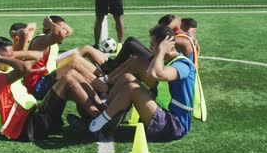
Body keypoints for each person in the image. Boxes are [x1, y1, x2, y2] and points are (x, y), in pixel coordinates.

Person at [68, 25, 196, 141]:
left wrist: (161, 51)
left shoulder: (183, 65)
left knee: (132, 89)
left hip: (173, 126)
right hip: (164, 112)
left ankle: (93, 128)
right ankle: (102, 116)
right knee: (127, 77)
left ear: (166, 45)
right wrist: (160, 51)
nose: (150, 49)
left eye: (153, 45)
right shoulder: (171, 62)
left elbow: (155, 74)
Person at [0, 36, 104, 141]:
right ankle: (100, 118)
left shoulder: (6, 69)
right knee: (68, 78)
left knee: (71, 74)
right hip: (27, 129)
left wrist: (11, 55)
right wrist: (3, 59)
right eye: (8, 57)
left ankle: (101, 111)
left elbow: (38, 55)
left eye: (12, 56)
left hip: (34, 117)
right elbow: (25, 69)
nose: (12, 59)